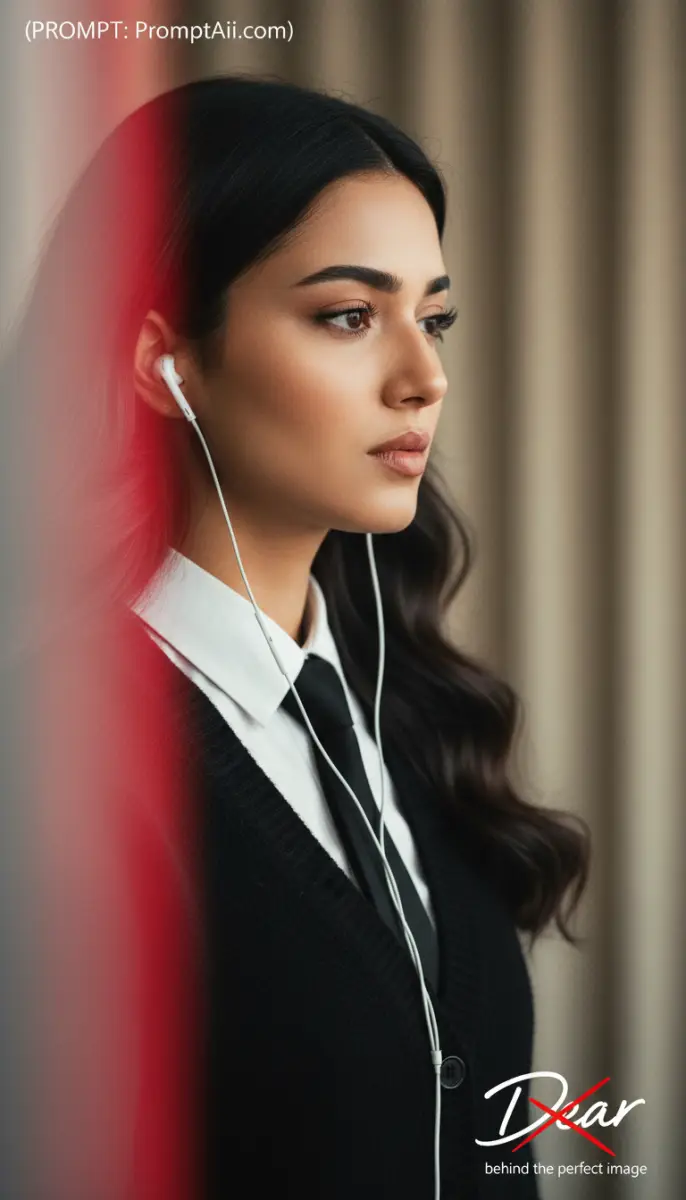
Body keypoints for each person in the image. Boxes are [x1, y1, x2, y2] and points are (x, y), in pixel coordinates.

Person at [12, 76, 591, 1199]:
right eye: (346, 315)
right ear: (163, 361)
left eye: (433, 317)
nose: (423, 379)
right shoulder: (48, 770)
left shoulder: (417, 723)